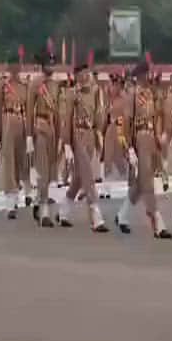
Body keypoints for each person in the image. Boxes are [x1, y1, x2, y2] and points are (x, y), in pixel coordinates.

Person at [118, 61, 171, 238]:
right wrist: (129, 148)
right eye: (146, 74)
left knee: (142, 181)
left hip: (151, 138)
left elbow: (158, 117)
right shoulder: (132, 95)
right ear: (140, 76)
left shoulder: (152, 94)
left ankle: (122, 215)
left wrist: (159, 137)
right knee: (147, 182)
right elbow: (126, 123)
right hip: (139, 136)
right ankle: (157, 221)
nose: (148, 76)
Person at [58, 63, 109, 232]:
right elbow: (67, 120)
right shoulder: (73, 94)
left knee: (78, 179)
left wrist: (99, 134)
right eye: (82, 74)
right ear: (77, 76)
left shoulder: (95, 92)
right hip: (77, 136)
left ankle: (63, 211)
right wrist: (66, 143)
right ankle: (96, 217)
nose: (85, 76)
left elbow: (99, 116)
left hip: (90, 137)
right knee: (88, 175)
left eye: (87, 73)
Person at [0, 56, 28, 216]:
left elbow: (29, 109)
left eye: (17, 65)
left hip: (22, 123)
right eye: (11, 66)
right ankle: (10, 203)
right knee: (9, 164)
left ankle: (17, 194)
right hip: (7, 122)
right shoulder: (3, 85)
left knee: (20, 163)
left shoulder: (25, 86)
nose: (14, 69)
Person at [26, 53, 60, 227]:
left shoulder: (56, 85)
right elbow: (29, 110)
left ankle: (39, 203)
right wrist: (29, 135)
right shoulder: (35, 84)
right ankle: (45, 213)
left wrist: (61, 136)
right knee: (43, 170)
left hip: (52, 129)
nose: (52, 67)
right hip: (39, 127)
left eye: (54, 64)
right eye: (49, 63)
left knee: (51, 172)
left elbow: (59, 111)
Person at [100, 73, 129, 202]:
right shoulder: (110, 100)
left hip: (120, 129)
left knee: (122, 158)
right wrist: (103, 131)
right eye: (112, 84)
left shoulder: (124, 99)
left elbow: (126, 119)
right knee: (107, 158)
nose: (113, 87)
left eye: (115, 84)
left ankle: (130, 182)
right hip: (111, 129)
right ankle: (105, 188)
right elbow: (105, 117)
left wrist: (123, 136)